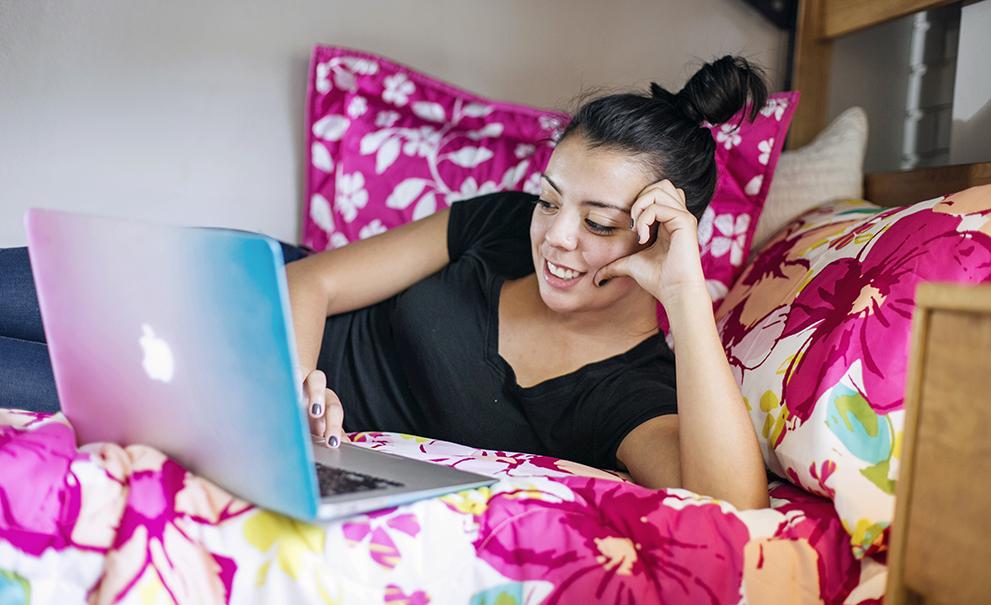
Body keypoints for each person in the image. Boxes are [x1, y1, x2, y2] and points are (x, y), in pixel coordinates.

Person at [0, 56, 770, 510]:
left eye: (597, 222)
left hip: (217, 397)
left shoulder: (629, 392)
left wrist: (683, 292)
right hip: (242, 292)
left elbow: (735, 507)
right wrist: (295, 392)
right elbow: (311, 284)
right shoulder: (502, 224)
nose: (555, 239)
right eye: (550, 199)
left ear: (659, 235)